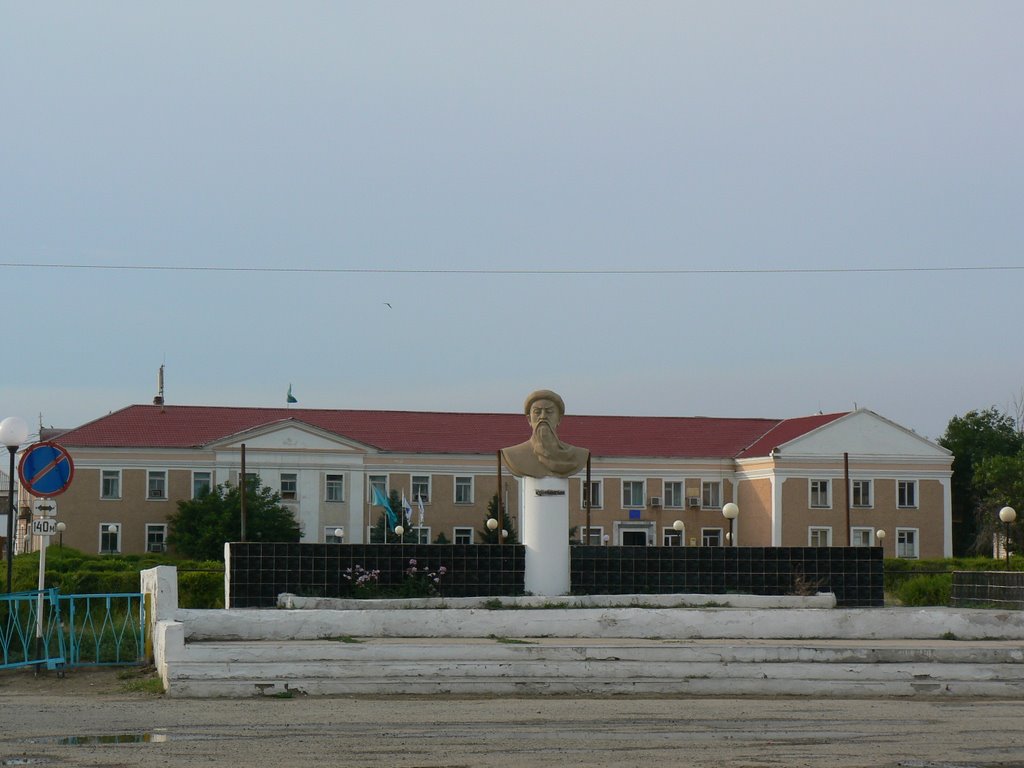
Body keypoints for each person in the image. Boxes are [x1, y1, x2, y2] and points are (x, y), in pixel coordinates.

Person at [501, 390, 590, 478]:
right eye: (537, 412)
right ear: (529, 419)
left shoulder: (578, 455)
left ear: (559, 418)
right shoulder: (512, 455)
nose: (543, 416)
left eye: (549, 412)